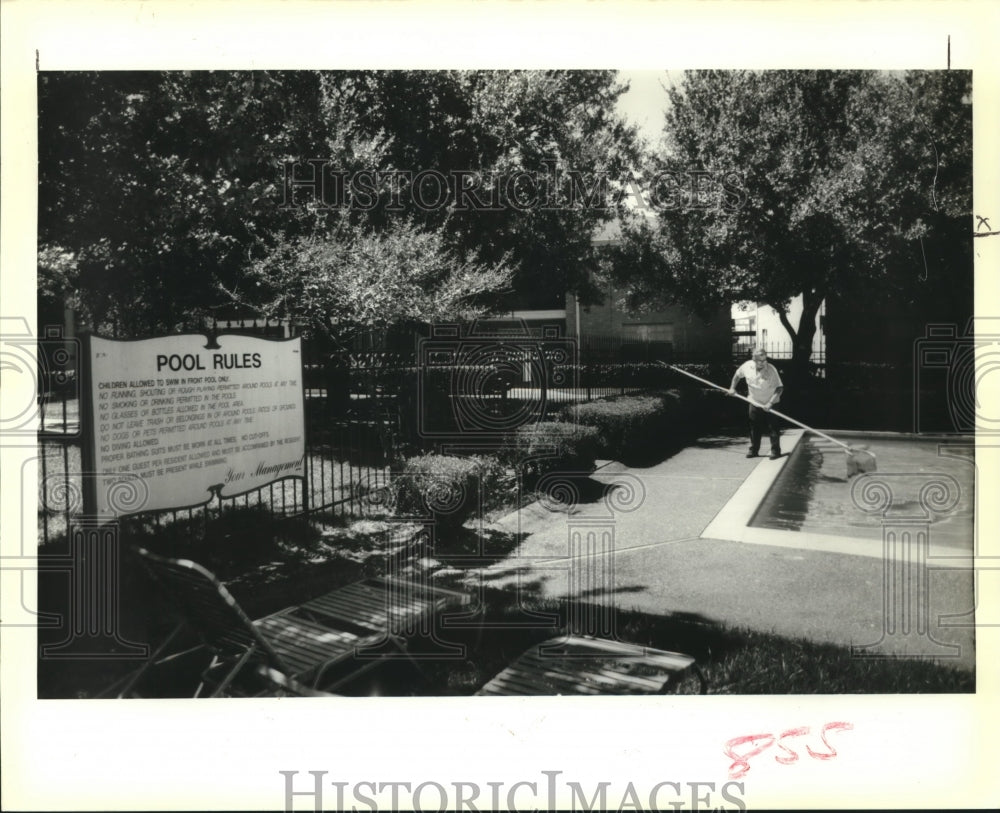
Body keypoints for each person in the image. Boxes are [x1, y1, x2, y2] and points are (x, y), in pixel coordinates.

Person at [728, 348, 784, 459]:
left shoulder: (771, 369)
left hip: (771, 402)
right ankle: (754, 450)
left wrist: (770, 403)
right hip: (754, 401)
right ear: (754, 359)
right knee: (754, 427)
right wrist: (732, 388)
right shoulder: (747, 366)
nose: (763, 363)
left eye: (764, 360)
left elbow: (780, 388)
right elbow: (737, 375)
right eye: (760, 360)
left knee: (773, 427)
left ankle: (775, 451)